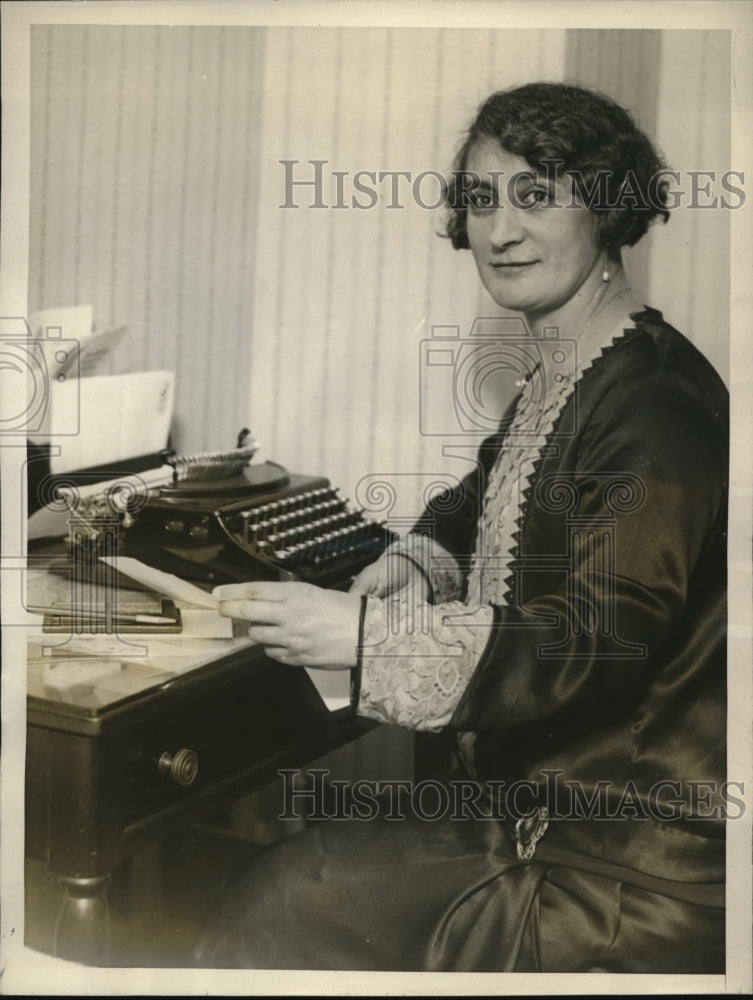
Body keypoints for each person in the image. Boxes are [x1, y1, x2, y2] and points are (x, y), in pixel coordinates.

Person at [195, 82, 728, 973]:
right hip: (555, 810)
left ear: (605, 207)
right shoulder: (579, 367)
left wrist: (365, 636)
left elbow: (597, 642)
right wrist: (420, 559)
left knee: (273, 900)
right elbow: (487, 492)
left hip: (625, 858)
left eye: (534, 195)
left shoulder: (653, 407)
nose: (499, 231)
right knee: (286, 871)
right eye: (480, 200)